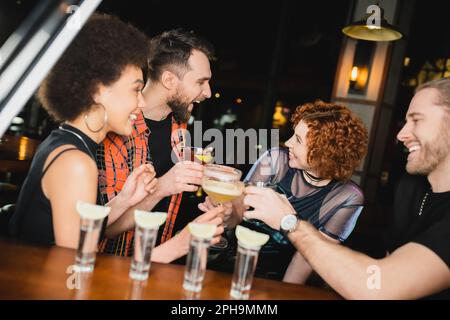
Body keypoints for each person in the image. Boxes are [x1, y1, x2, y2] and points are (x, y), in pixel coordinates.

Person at [244, 78, 450, 299]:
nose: (401, 135)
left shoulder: (349, 196)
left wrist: (289, 222)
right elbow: (387, 266)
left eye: (416, 120)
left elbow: (380, 288)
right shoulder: (410, 189)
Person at [9, 14, 157, 248]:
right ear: (97, 91)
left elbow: (81, 232)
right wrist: (182, 244)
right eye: (135, 90)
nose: (142, 103)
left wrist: (125, 198)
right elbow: (76, 271)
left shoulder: (64, 141)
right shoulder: (76, 163)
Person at [200, 100, 368, 281]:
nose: (287, 143)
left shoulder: (347, 197)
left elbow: (308, 256)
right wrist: (227, 215)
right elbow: (239, 211)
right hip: (236, 261)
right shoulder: (275, 160)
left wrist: (285, 292)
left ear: (324, 152)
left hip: (280, 277)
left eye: (298, 140)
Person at [97, 29, 224, 261]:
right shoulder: (117, 130)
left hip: (159, 261)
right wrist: (163, 186)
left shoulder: (178, 124)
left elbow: (170, 203)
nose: (208, 92)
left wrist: (205, 188)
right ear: (168, 80)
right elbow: (103, 229)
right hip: (114, 266)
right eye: (200, 82)